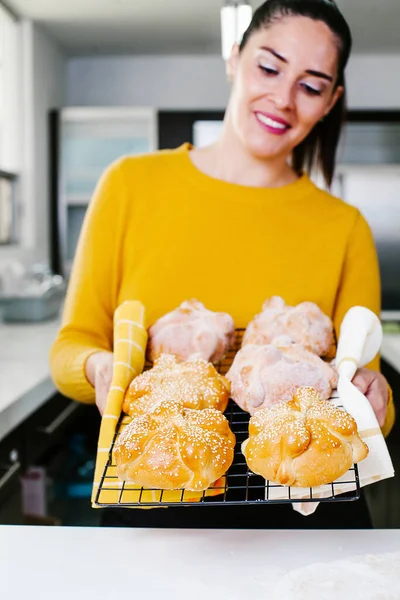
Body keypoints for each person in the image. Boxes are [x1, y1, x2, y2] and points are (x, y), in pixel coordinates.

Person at [50, 0, 394, 529]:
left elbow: (362, 387)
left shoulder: (344, 226)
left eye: (311, 84)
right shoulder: (130, 186)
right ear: (235, 58)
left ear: (331, 100)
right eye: (269, 66)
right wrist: (104, 371)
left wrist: (376, 397)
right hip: (156, 482)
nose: (282, 98)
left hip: (303, 501)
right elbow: (73, 347)